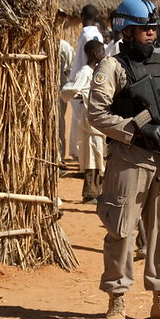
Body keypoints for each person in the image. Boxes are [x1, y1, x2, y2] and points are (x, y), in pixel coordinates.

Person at [87, 0, 160, 319]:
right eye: (144, 30)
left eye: (153, 29)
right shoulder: (111, 68)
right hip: (129, 159)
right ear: (126, 32)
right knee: (121, 230)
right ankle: (117, 301)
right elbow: (97, 114)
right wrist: (136, 130)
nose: (151, 35)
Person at [65, 39, 107, 203]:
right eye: (102, 52)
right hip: (90, 122)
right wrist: (79, 95)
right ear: (95, 54)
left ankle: (97, 192)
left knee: (99, 155)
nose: (104, 55)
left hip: (97, 122)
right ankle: (90, 193)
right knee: (91, 156)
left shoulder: (95, 71)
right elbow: (70, 89)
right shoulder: (84, 72)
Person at [58, 38, 75, 164]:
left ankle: (59, 156)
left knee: (58, 123)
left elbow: (70, 68)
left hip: (58, 91)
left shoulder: (63, 46)